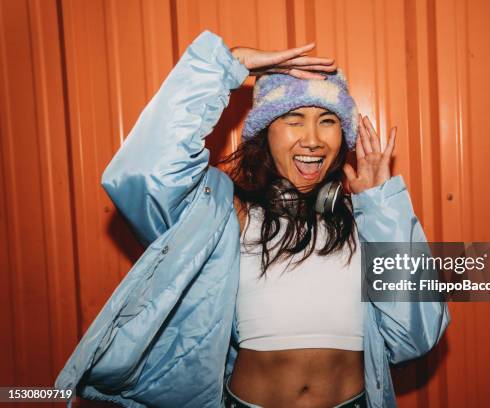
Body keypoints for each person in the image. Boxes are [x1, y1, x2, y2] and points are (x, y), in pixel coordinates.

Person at [54, 30, 450, 408]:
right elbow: (143, 174)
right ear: (265, 132)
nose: (312, 138)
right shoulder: (227, 214)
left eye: (327, 120)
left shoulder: (364, 219)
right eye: (293, 118)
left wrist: (382, 206)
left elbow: (416, 335)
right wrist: (227, 65)